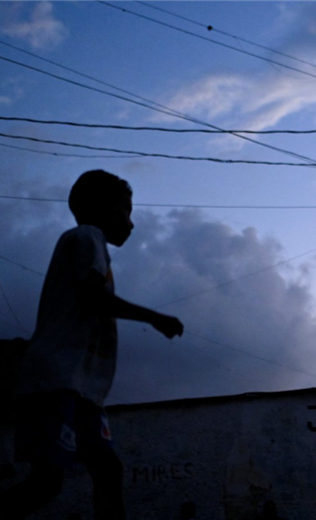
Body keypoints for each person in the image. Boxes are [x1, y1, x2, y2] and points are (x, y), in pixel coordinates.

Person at [0, 170, 184, 520]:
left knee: (106, 471)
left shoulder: (90, 243)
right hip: (56, 384)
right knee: (47, 483)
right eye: (125, 211)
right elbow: (91, 297)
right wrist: (154, 318)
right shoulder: (86, 237)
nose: (130, 223)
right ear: (100, 206)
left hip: (80, 391)